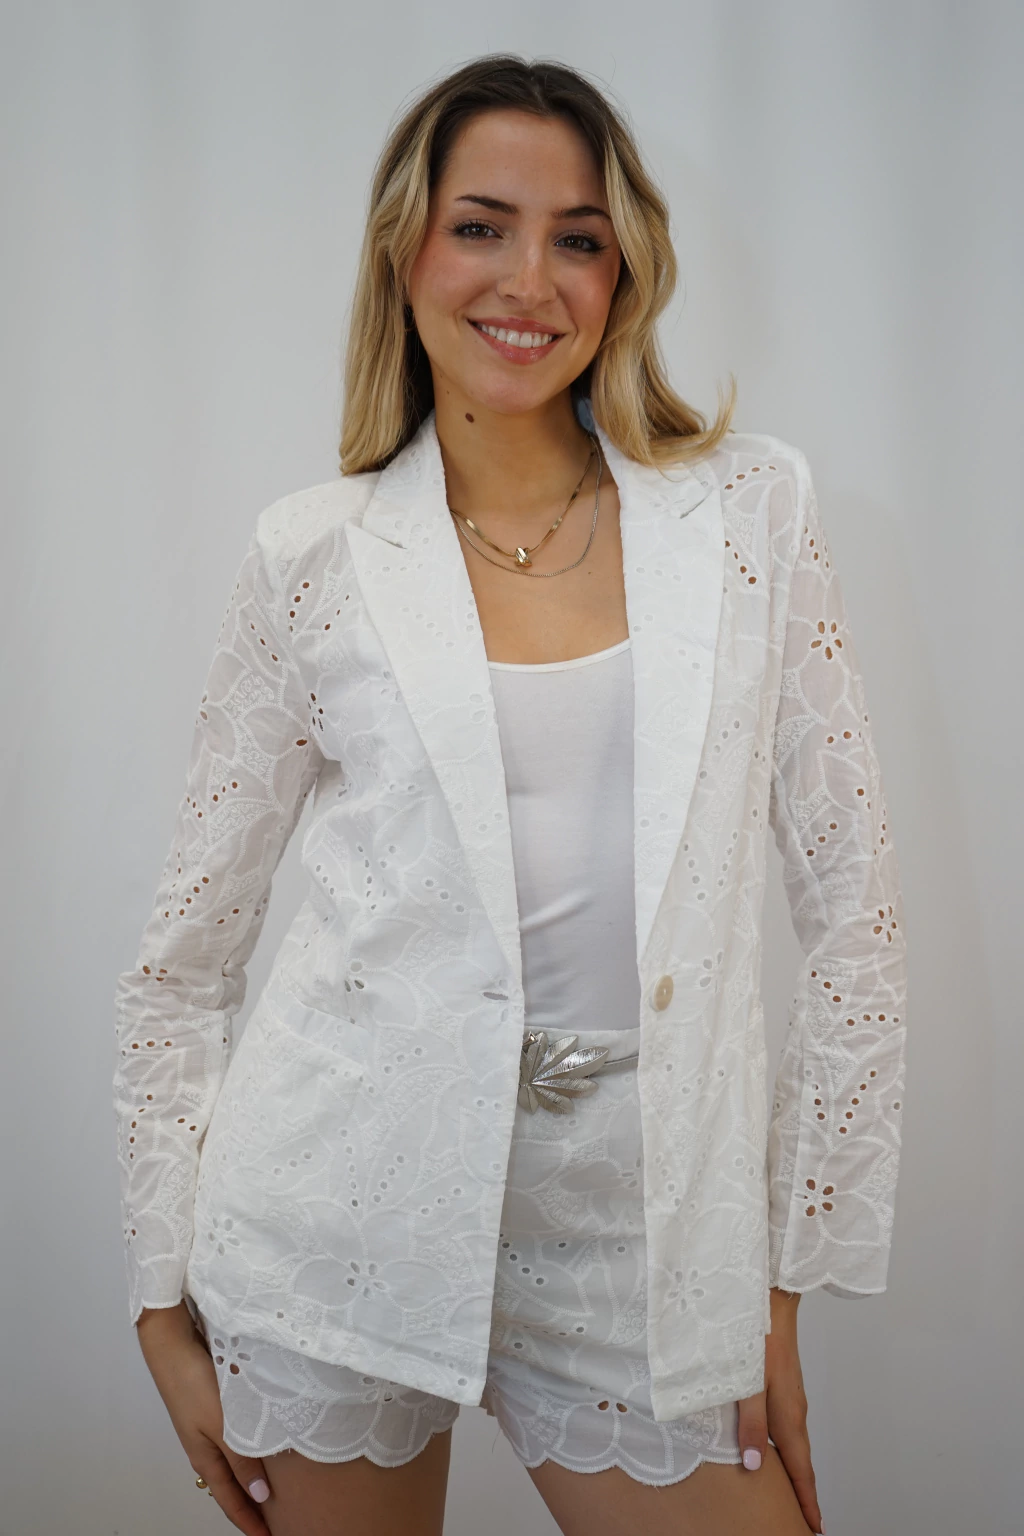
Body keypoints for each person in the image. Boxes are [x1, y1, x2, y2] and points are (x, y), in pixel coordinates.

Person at [114, 54, 907, 1536]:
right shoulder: (314, 555)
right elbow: (184, 964)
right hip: (337, 1221)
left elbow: (855, 924)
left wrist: (777, 1285)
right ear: (404, 251)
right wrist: (162, 1296)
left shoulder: (749, 516)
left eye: (577, 238)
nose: (528, 280)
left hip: (642, 1237)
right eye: (480, 225)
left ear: (624, 274)